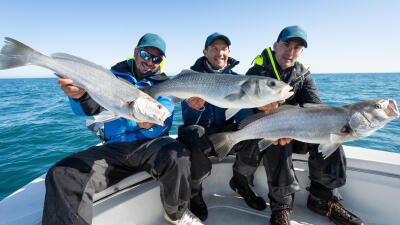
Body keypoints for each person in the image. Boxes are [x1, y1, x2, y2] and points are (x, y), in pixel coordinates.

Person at [42, 33, 204, 225]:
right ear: (136, 52)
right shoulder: (111, 76)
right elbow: (90, 108)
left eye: (156, 58)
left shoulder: (164, 85)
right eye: (145, 54)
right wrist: (79, 96)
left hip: (151, 145)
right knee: (62, 174)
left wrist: (150, 126)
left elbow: (164, 115)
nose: (150, 61)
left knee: (178, 155)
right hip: (114, 148)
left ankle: (176, 214)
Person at [231, 26, 365, 225]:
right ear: (276, 45)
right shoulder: (256, 73)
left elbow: (317, 108)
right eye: (286, 44)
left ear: (302, 52)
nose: (290, 51)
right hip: (263, 132)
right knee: (278, 141)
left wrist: (310, 126)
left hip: (298, 130)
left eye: (297, 47)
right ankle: (281, 207)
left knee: (333, 134)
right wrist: (259, 109)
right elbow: (241, 111)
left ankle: (323, 199)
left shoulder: (303, 75)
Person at [177, 32, 266, 222]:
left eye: (223, 49)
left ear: (229, 51)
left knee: (255, 130)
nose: (220, 53)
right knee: (192, 133)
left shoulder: (239, 80)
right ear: (205, 52)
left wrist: (259, 105)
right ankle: (195, 192)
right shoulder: (192, 78)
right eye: (214, 49)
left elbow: (243, 116)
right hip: (203, 134)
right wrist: (197, 108)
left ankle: (241, 181)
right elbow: (187, 118)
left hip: (227, 134)